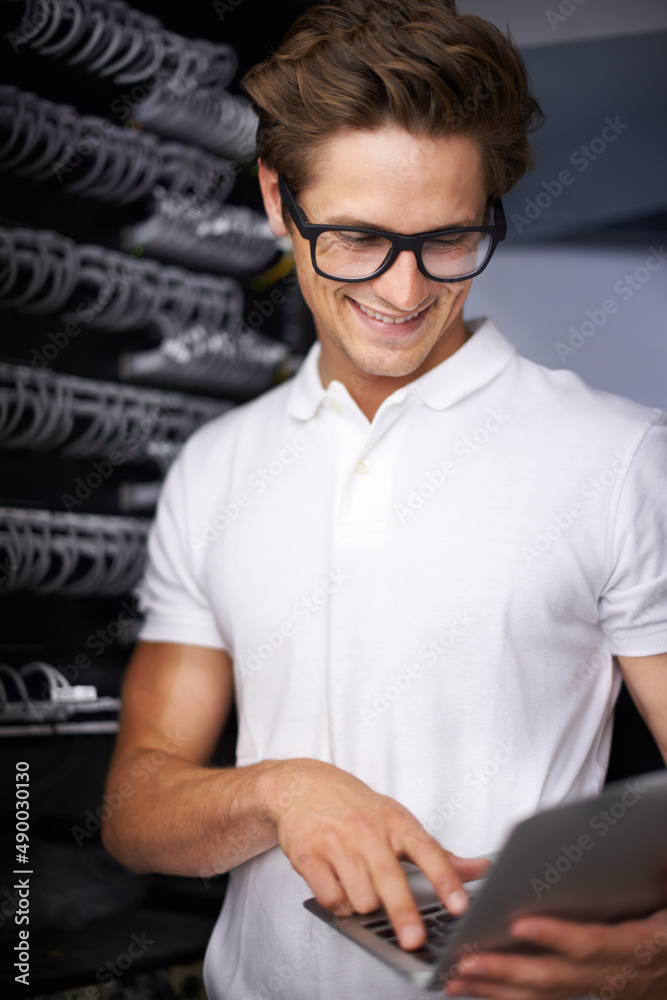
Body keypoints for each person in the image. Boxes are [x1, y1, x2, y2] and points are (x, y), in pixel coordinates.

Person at [101, 2, 667, 998]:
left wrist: (648, 962)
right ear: (279, 200)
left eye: (447, 237)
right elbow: (138, 814)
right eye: (357, 238)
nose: (404, 291)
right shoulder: (213, 464)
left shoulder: (621, 458)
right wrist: (280, 790)